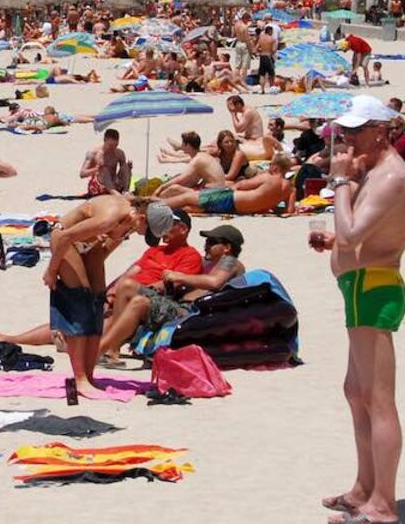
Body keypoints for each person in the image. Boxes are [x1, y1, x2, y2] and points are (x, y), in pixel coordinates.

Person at [314, 96, 405, 524]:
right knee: (356, 393)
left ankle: (383, 504)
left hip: (374, 289)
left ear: (380, 131)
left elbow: (354, 234)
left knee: (378, 400)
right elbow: (354, 234)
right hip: (362, 287)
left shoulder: (393, 176)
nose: (347, 139)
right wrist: (332, 239)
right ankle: (364, 488)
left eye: (356, 132)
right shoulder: (378, 172)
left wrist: (340, 183)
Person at [43, 192, 144, 399]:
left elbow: (103, 251)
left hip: (88, 242)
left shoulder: (129, 220)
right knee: (79, 299)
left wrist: (92, 262)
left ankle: (88, 375)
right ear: (141, 217)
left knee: (96, 301)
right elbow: (65, 237)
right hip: (65, 239)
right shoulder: (112, 216)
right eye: (142, 230)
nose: (137, 234)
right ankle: (79, 378)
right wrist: (52, 271)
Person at [95, 207, 205, 358]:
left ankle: (113, 349)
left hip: (159, 297)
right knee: (101, 315)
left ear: (183, 229)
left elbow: (175, 284)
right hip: (129, 293)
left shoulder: (190, 255)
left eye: (168, 224)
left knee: (127, 288)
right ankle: (63, 340)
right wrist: (112, 293)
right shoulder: (154, 250)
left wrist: (130, 289)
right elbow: (131, 272)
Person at [156, 154, 297, 215]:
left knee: (186, 198)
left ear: (276, 168)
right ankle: (159, 204)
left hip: (231, 200)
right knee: (191, 206)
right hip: (240, 210)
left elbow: (242, 186)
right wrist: (269, 206)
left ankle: (154, 207)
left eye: (270, 164)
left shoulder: (268, 177)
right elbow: (289, 211)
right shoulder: (291, 189)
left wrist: (233, 185)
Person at [78, 129, 131, 196]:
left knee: (126, 166)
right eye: (111, 145)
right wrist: (96, 169)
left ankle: (125, 191)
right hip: (99, 185)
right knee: (104, 169)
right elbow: (82, 174)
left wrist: (129, 167)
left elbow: (124, 172)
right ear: (104, 140)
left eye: (116, 145)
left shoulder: (119, 153)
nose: (113, 148)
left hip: (114, 183)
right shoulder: (94, 153)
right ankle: (115, 193)